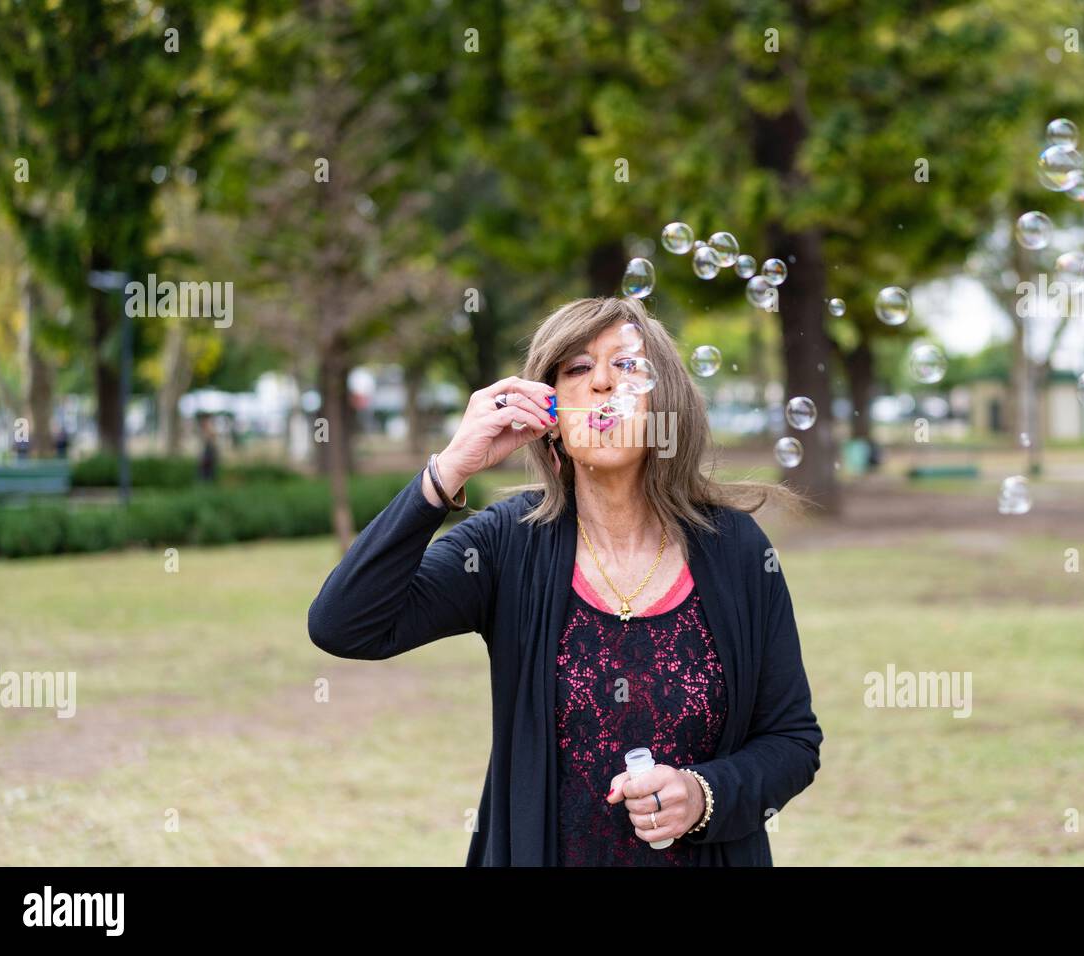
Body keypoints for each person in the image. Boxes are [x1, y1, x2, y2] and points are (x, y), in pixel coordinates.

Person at [308, 296, 824, 866]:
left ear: (665, 404)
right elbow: (343, 625)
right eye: (577, 369)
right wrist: (448, 468)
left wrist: (703, 795)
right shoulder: (506, 544)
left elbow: (792, 742)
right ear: (550, 419)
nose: (602, 382)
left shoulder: (737, 550)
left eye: (627, 364)